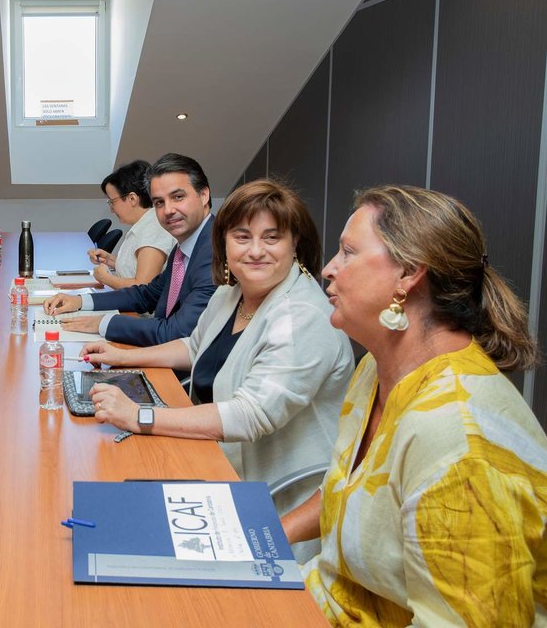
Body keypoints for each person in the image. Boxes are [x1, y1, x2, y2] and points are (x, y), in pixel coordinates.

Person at [281, 186, 546, 626]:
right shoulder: (375, 369)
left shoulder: (458, 441)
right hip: (323, 602)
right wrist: (263, 539)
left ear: (408, 273)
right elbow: (349, 492)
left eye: (348, 252)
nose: (328, 269)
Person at [82, 179, 353, 559]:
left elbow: (250, 415)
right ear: (223, 243)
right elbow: (194, 348)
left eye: (271, 238)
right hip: (216, 466)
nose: (255, 251)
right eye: (242, 237)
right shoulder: (232, 292)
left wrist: (140, 416)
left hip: (273, 505)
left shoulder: (302, 316)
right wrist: (121, 356)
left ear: (296, 245)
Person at [43, 153, 217, 347]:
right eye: (159, 202)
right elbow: (146, 295)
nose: (168, 210)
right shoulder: (186, 245)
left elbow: (176, 333)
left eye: (178, 197)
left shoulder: (216, 250)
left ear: (203, 195)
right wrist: (80, 301)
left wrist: (103, 323)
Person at [87, 159, 177, 291]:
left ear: (132, 199)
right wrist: (109, 260)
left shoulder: (153, 230)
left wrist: (106, 279)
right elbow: (136, 267)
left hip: (140, 311)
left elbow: (143, 286)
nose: (112, 209)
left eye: (113, 201)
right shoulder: (145, 223)